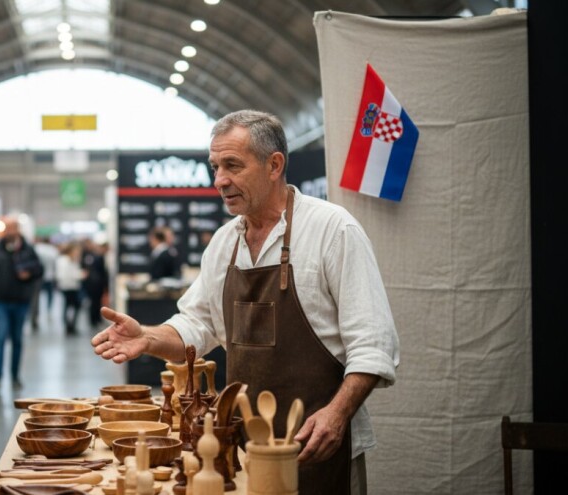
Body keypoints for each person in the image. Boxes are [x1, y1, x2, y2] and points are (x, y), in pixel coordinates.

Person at [91, 109, 399, 495]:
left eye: (232, 165)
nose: (220, 180)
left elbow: (373, 345)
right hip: (244, 445)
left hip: (317, 443)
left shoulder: (333, 230)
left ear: (274, 165)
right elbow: (197, 325)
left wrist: (337, 414)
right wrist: (147, 338)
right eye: (215, 167)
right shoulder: (225, 243)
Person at [0, 215, 42, 390]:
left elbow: (39, 269)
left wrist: (28, 274)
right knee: (0, 338)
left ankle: (15, 376)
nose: (10, 232)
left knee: (17, 340)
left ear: (18, 229)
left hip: (20, 301)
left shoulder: (27, 249)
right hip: (0, 302)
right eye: (7, 228)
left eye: (13, 228)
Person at [55, 241, 86, 335]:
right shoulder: (63, 261)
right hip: (67, 287)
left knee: (75, 307)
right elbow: (63, 275)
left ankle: (72, 325)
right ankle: (68, 325)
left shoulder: (74, 260)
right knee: (68, 306)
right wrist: (79, 275)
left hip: (74, 287)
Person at [30, 236, 59, 331]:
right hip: (50, 276)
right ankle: (48, 310)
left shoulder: (37, 248)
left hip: (39, 277)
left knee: (36, 298)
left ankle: (35, 316)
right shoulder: (53, 250)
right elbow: (56, 264)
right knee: (50, 295)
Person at [81, 238, 108, 328]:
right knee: (94, 302)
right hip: (93, 284)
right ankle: (94, 319)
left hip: (97, 283)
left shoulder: (96, 256)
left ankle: (96, 318)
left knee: (97, 302)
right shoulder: (88, 256)